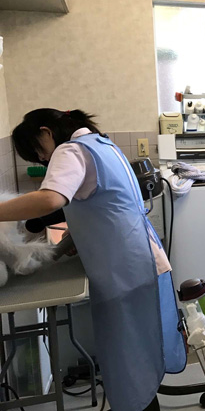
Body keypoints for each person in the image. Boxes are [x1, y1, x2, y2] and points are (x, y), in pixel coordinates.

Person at [0, 109, 188, 411]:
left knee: (129, 367)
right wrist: (69, 246)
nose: (45, 160)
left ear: (46, 133)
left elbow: (50, 199)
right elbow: (104, 206)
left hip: (125, 270)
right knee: (138, 359)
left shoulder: (70, 150)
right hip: (143, 260)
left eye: (39, 152)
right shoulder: (103, 145)